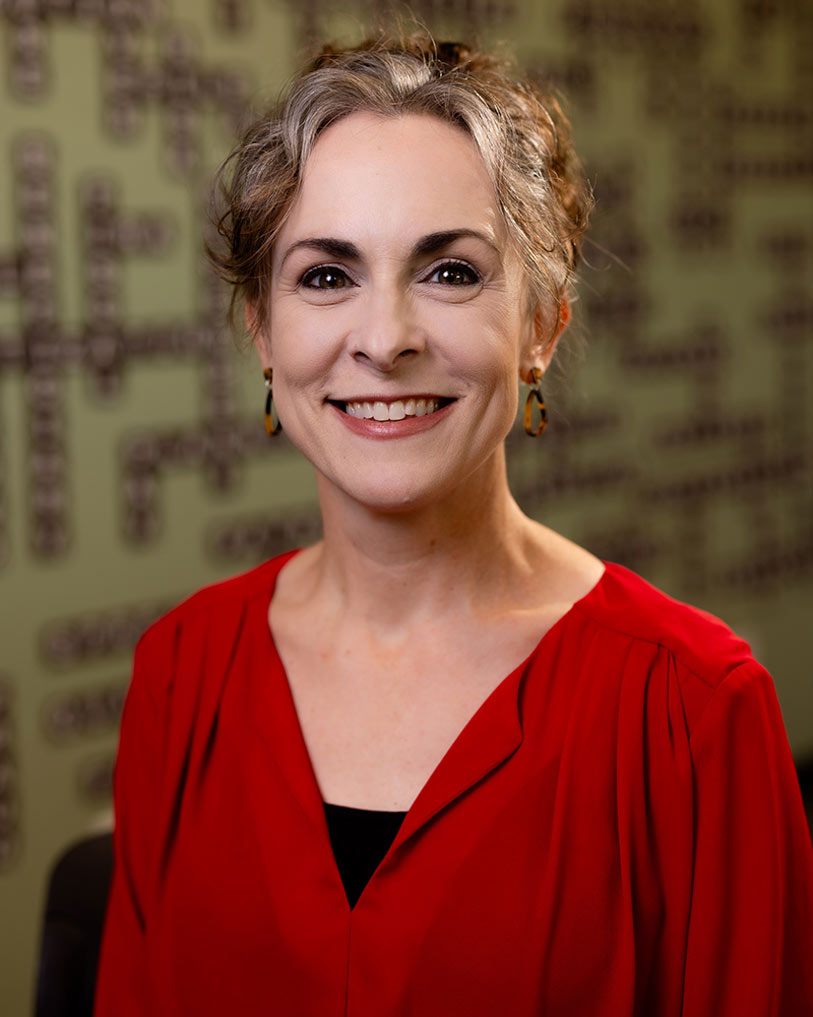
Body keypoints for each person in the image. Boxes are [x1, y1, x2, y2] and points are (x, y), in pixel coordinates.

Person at [94, 29, 813, 1017]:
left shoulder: (696, 711)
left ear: (542, 325)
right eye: (325, 275)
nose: (385, 340)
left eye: (450, 272)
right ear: (263, 330)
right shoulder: (181, 676)